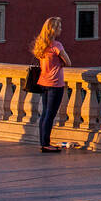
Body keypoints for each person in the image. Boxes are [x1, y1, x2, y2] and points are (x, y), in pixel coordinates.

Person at [31, 16, 71, 153]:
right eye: (59, 27)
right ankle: (46, 144)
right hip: (55, 83)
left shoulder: (41, 44)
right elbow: (69, 62)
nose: (61, 29)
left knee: (45, 114)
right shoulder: (56, 45)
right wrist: (60, 62)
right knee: (50, 114)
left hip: (43, 82)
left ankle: (43, 142)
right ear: (53, 29)